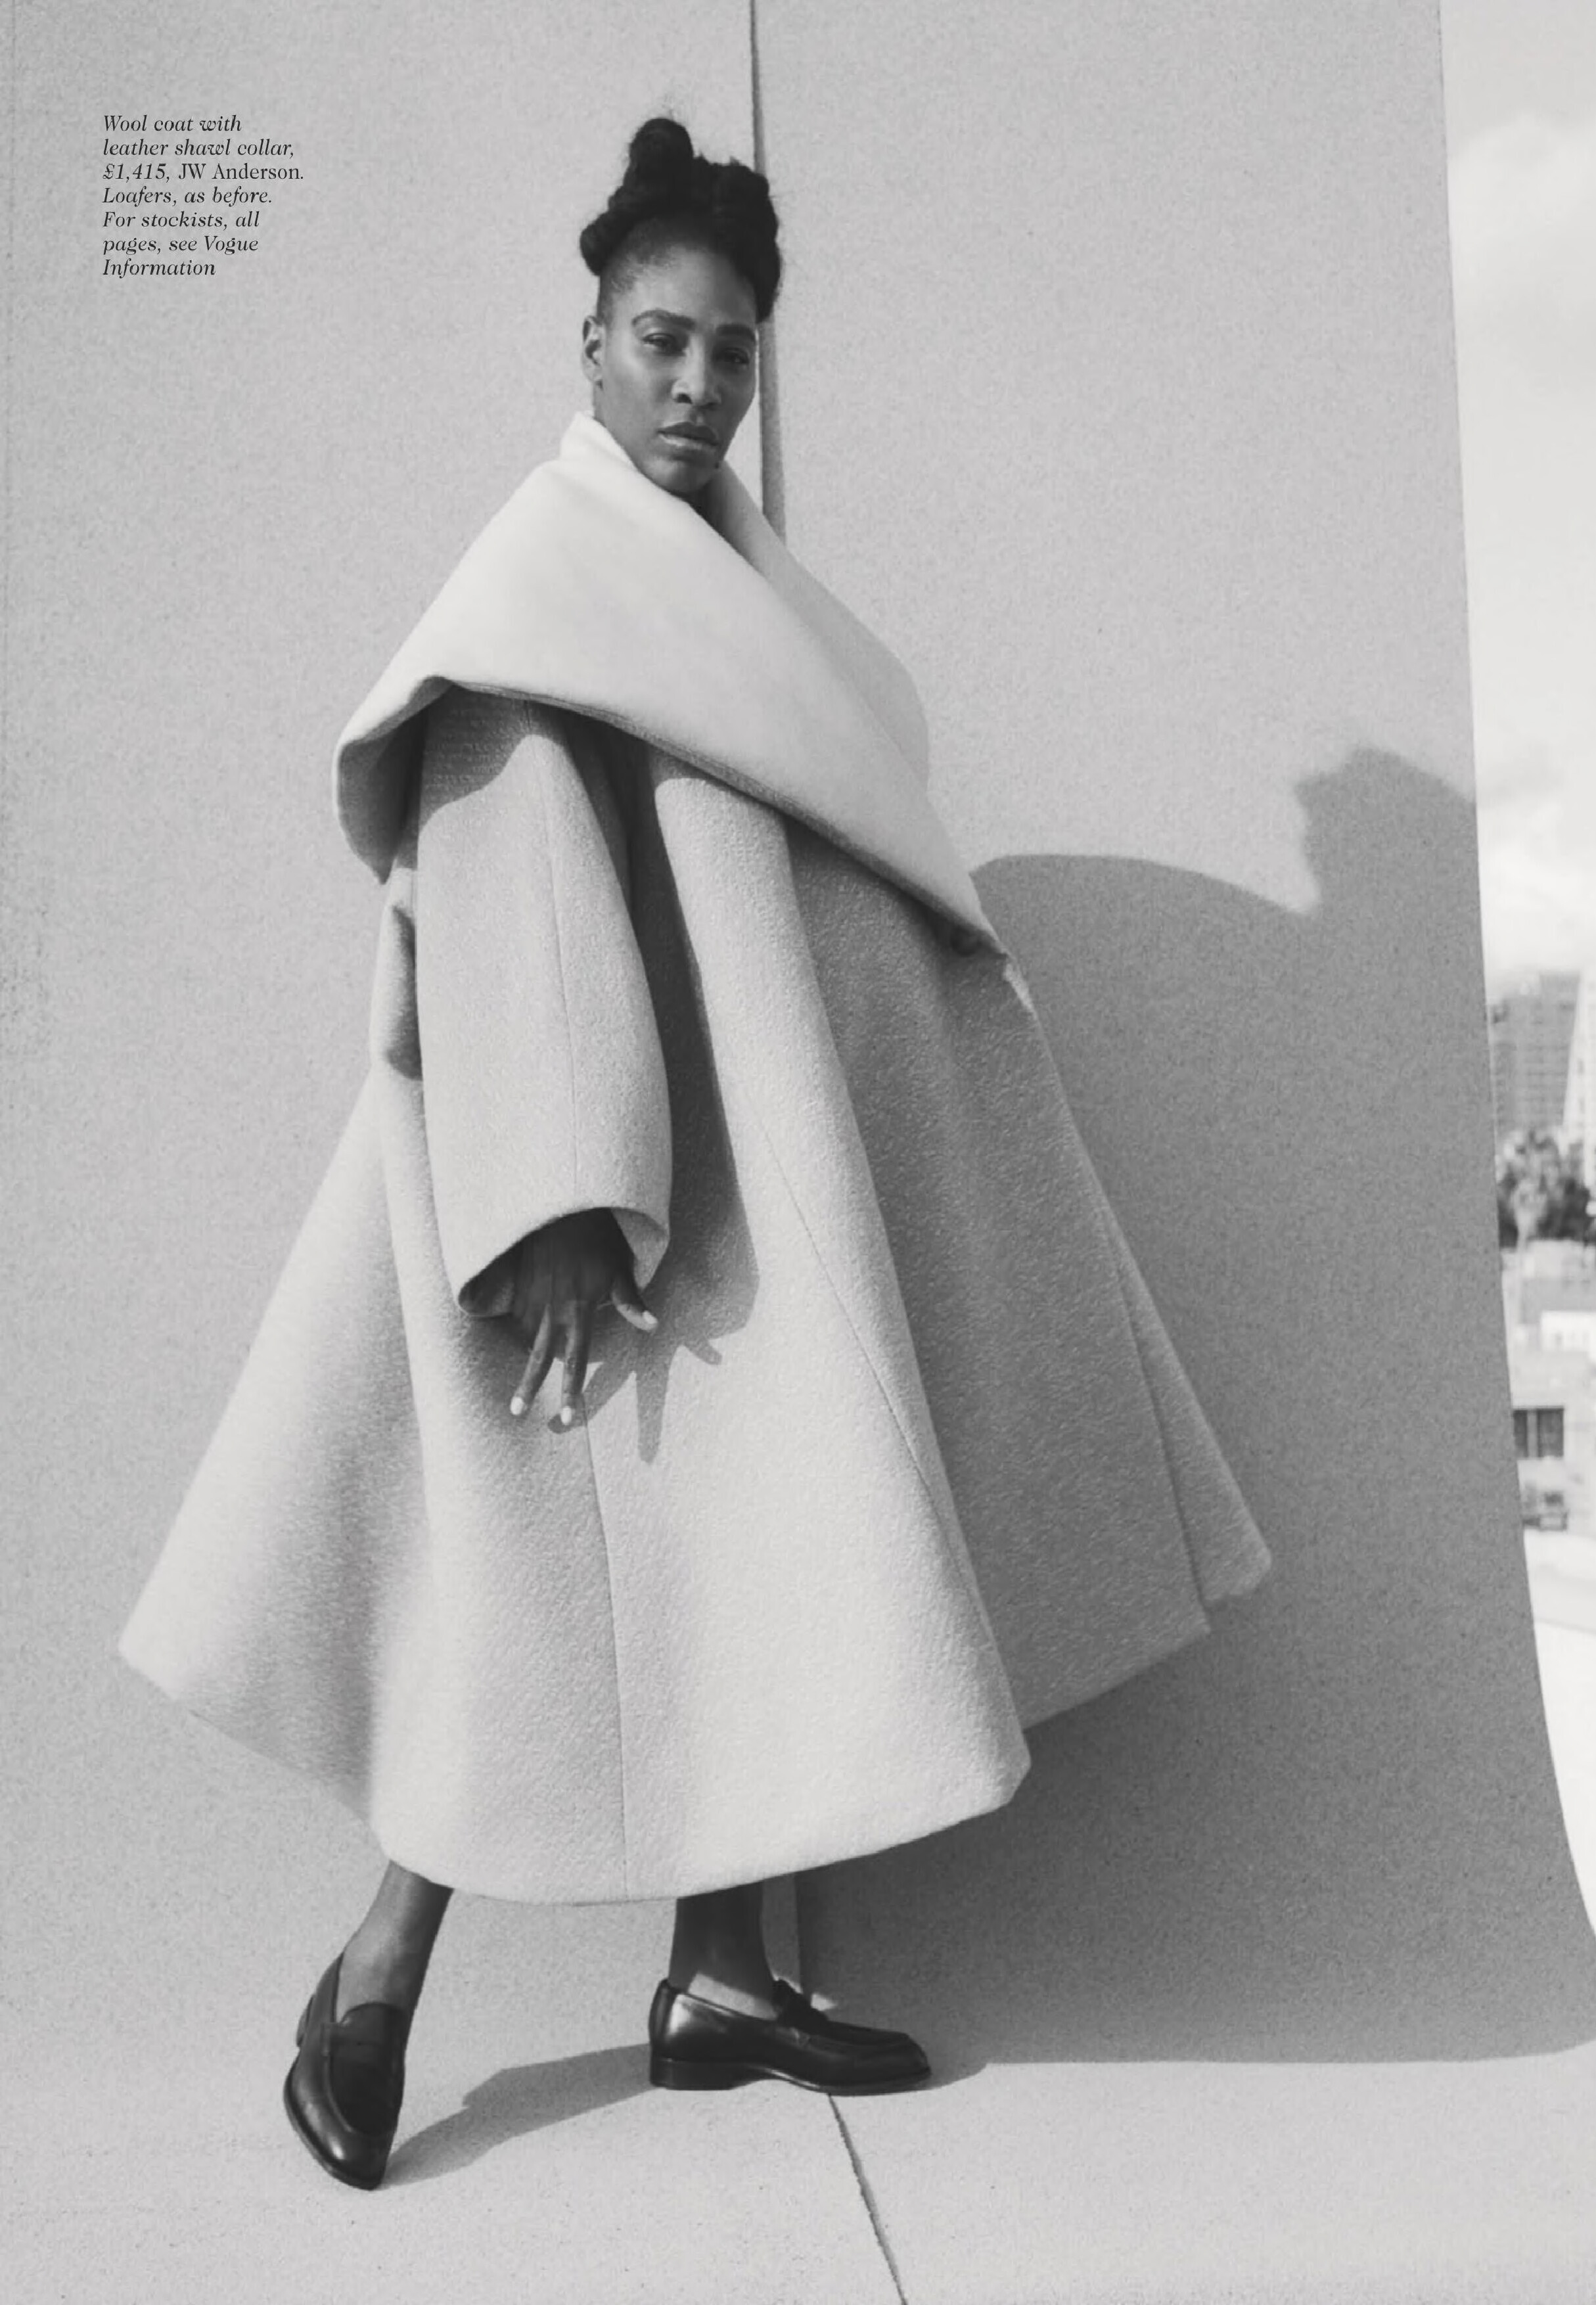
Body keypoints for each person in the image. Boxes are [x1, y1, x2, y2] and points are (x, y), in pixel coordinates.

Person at [119, 116, 1270, 2191]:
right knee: (533, 1580)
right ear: (590, 342)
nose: (697, 384)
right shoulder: (545, 581)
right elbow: (502, 852)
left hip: (754, 1152)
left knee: (755, 1547)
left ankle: (724, 1980)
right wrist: (562, 1191)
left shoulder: (744, 592)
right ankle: (373, 1978)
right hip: (600, 1170)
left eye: (731, 351)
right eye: (662, 340)